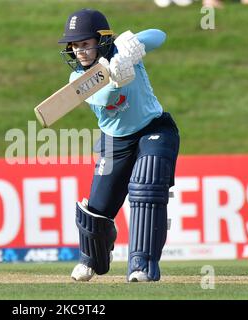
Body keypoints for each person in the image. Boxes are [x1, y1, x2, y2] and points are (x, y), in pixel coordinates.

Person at [58, 9, 180, 282]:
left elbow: (159, 36)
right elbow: (106, 96)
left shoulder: (121, 54)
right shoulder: (76, 79)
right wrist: (114, 77)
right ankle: (92, 258)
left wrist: (130, 50)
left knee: (146, 186)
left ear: (101, 40)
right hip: (115, 142)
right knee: (97, 213)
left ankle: (142, 264)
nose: (80, 51)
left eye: (85, 44)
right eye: (75, 46)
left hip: (154, 128)